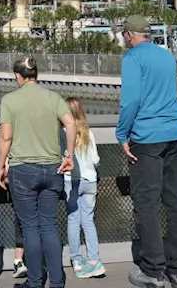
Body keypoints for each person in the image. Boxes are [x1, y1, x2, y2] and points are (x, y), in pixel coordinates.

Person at [115, 15, 177, 288]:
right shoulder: (167, 56)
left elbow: (131, 99)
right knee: (174, 199)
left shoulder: (133, 58)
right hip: (175, 133)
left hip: (147, 137)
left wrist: (122, 134)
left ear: (130, 35)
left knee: (146, 203)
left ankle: (153, 270)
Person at [0, 56, 77, 288]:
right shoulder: (53, 97)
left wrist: (1, 166)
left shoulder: (10, 100)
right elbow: (71, 123)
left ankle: (34, 282)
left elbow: (5, 137)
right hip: (53, 168)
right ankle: (57, 281)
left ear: (18, 77)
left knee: (30, 227)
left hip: (23, 170)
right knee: (49, 226)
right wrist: (69, 156)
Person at [64, 97, 105, 278]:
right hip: (90, 181)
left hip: (71, 181)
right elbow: (96, 159)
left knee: (73, 219)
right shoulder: (89, 133)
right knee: (88, 220)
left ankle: (76, 258)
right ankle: (94, 260)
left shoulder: (64, 132)